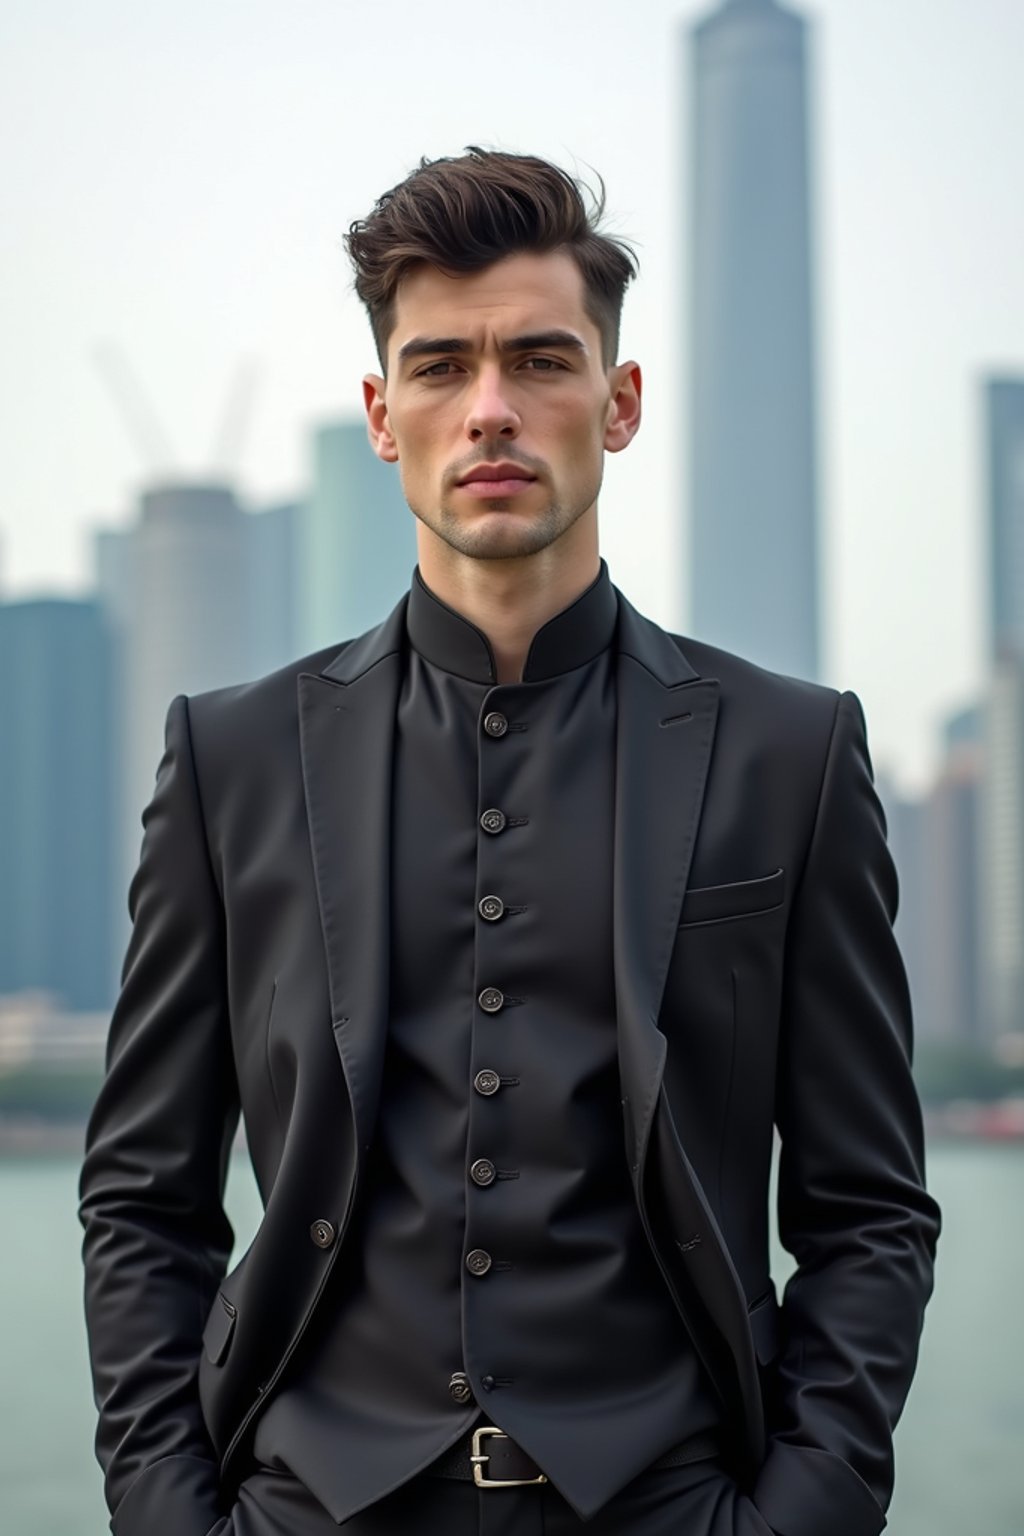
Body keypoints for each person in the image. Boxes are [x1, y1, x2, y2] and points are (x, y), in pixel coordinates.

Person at [79, 148, 940, 1536]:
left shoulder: (795, 752)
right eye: (439, 367)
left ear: (620, 401)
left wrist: (802, 1518)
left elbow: (871, 1208)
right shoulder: (230, 758)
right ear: (379, 413)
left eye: (541, 359)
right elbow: (141, 1198)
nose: (491, 409)